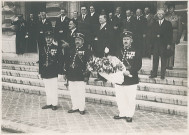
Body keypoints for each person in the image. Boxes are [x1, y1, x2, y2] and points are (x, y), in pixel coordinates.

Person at [114, 31, 142, 122]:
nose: (125, 41)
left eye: (127, 39)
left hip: (131, 79)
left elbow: (138, 65)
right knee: (120, 97)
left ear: (131, 40)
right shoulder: (119, 51)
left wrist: (130, 71)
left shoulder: (136, 51)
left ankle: (129, 114)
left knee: (130, 98)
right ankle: (122, 113)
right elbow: (115, 63)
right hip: (120, 78)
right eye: (124, 39)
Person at [66, 33, 90, 115]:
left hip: (81, 74)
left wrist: (87, 75)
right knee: (73, 91)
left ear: (82, 41)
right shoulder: (71, 49)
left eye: (79, 40)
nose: (77, 41)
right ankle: (75, 106)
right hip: (72, 74)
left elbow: (89, 64)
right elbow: (68, 62)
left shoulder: (86, 50)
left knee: (80, 92)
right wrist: (66, 73)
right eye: (76, 40)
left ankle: (81, 108)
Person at [39, 31, 64, 110]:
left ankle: (54, 104)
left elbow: (60, 61)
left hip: (53, 71)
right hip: (45, 71)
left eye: (49, 38)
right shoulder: (43, 47)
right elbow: (41, 60)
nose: (48, 39)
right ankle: (49, 103)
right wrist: (40, 72)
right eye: (47, 38)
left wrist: (60, 72)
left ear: (52, 38)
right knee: (47, 88)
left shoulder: (56, 47)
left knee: (53, 88)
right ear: (45, 38)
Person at [149, 9, 173, 79]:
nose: (159, 15)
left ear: (164, 15)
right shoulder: (154, 23)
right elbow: (152, 33)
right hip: (156, 44)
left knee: (163, 59)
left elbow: (170, 34)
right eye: (158, 14)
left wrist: (169, 44)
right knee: (155, 59)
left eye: (161, 14)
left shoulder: (168, 23)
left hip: (164, 44)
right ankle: (154, 74)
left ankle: (162, 75)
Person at [165, 3, 182, 70]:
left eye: (171, 8)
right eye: (169, 8)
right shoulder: (165, 16)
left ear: (174, 9)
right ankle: (166, 64)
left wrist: (178, 37)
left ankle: (170, 64)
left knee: (171, 49)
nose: (170, 10)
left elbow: (180, 28)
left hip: (173, 34)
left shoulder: (177, 17)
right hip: (166, 34)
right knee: (166, 48)